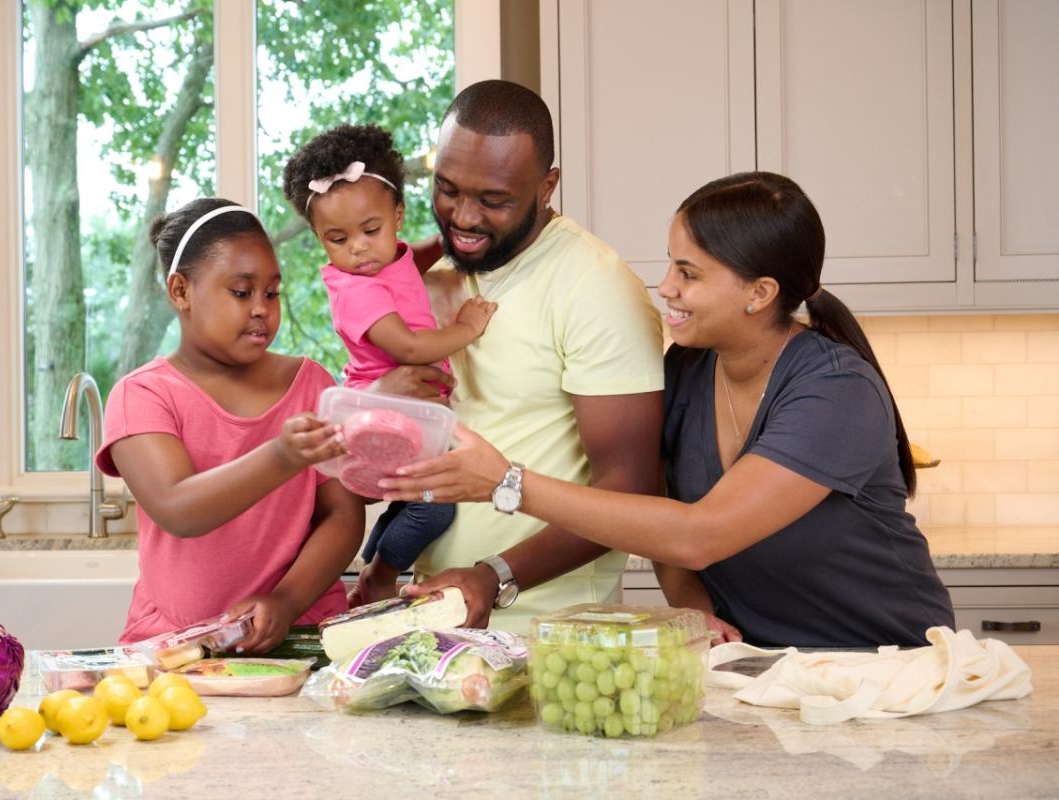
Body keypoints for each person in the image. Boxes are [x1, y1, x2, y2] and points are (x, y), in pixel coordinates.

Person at [383, 172, 957, 648]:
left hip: (883, 665)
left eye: (688, 273)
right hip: (757, 667)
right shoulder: (688, 368)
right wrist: (694, 609)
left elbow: (699, 535)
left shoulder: (835, 390)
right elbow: (656, 515)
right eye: (670, 264)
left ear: (758, 293)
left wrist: (506, 482)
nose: (665, 287)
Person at [382, 80, 667, 634]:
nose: (463, 217)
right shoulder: (440, 276)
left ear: (547, 185)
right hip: (437, 623)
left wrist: (492, 576)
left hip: (551, 636)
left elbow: (630, 492)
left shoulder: (595, 287)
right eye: (447, 189)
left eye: (494, 200)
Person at [95, 197, 365, 653]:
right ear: (180, 291)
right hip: (177, 645)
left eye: (272, 293)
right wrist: (281, 456)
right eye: (242, 293)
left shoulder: (310, 383)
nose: (261, 308)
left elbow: (342, 515)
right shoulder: (142, 394)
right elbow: (178, 508)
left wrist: (285, 601)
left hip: (303, 631)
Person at [282, 124, 497, 606]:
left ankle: (374, 563)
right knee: (434, 508)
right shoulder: (355, 290)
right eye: (337, 239)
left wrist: (456, 249)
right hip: (383, 410)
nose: (357, 248)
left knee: (408, 497)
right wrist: (466, 329)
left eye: (370, 231)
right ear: (319, 239)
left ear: (397, 215)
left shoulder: (387, 260)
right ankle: (380, 572)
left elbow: (413, 262)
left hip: (407, 410)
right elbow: (408, 348)